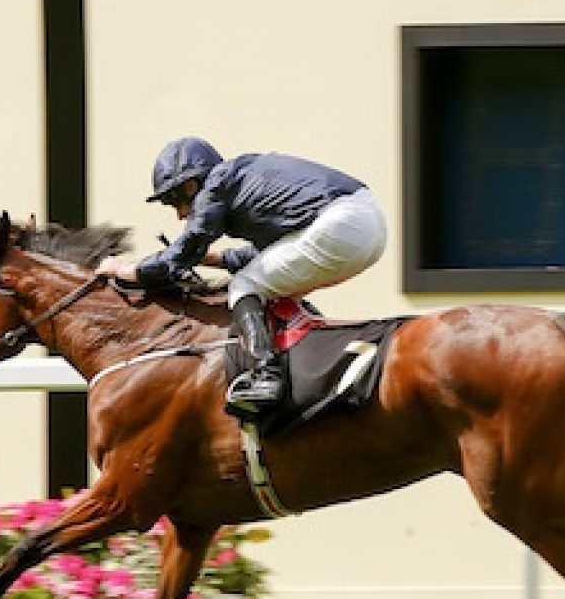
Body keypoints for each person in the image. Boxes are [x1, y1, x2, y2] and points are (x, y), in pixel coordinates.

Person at [97, 136, 388, 417]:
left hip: (341, 225)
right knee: (269, 283)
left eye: (177, 202)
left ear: (191, 184)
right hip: (368, 223)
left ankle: (266, 374)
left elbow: (182, 252)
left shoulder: (215, 185)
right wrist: (210, 259)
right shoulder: (242, 181)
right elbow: (265, 252)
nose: (180, 215)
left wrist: (127, 270)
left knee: (244, 285)